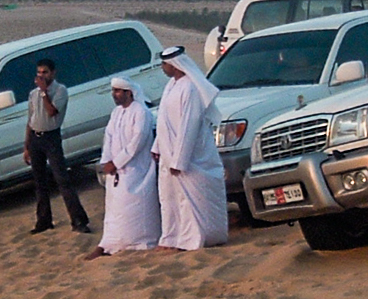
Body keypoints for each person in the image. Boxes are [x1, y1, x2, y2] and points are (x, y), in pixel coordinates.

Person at [152, 46, 229, 250]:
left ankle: (196, 238)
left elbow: (189, 125)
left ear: (176, 64)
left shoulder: (190, 88)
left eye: (165, 64)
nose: (163, 67)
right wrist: (157, 146)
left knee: (190, 199)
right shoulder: (171, 86)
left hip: (189, 157)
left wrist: (180, 161)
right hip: (169, 155)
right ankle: (173, 238)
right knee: (170, 199)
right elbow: (164, 120)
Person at [87, 77, 159, 258]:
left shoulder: (141, 112)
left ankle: (138, 242)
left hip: (136, 171)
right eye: (113, 91)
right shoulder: (116, 113)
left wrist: (117, 162)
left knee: (133, 209)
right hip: (115, 173)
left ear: (128, 92)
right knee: (115, 211)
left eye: (118, 91)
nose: (114, 95)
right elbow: (108, 138)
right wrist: (106, 161)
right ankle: (109, 244)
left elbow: (137, 142)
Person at [23, 57, 91, 234]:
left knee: (62, 179)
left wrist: (45, 92)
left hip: (51, 138)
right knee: (39, 182)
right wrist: (27, 146)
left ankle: (78, 220)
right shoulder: (33, 94)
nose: (41, 76)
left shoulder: (60, 90)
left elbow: (52, 112)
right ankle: (44, 220)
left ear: (53, 73)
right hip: (36, 138)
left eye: (45, 72)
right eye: (39, 73)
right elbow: (30, 120)